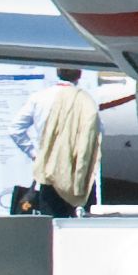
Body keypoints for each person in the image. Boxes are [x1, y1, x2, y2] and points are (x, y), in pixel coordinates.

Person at [23, 67, 100, 217]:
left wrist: (34, 153)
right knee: (84, 223)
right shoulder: (86, 100)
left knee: (52, 224)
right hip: (78, 171)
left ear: (57, 73)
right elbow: (97, 131)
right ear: (79, 75)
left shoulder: (39, 97)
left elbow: (15, 128)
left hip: (49, 172)